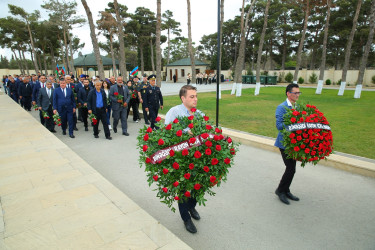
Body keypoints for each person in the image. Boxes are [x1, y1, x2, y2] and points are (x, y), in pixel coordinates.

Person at [164, 85, 203, 234]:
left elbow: (205, 131)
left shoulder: (199, 114)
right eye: (192, 96)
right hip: (180, 159)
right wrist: (186, 132)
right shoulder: (174, 112)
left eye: (196, 96)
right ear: (183, 98)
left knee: (199, 185)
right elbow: (167, 132)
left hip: (197, 157)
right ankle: (186, 218)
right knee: (182, 188)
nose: (195, 99)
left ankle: (191, 205)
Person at [274, 83, 301, 205]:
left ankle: (286, 190)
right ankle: (280, 191)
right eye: (295, 93)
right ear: (288, 93)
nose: (297, 95)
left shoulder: (297, 107)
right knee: (290, 168)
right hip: (284, 143)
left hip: (294, 143)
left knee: (292, 169)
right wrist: (293, 124)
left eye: (298, 92)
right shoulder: (282, 107)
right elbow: (279, 126)